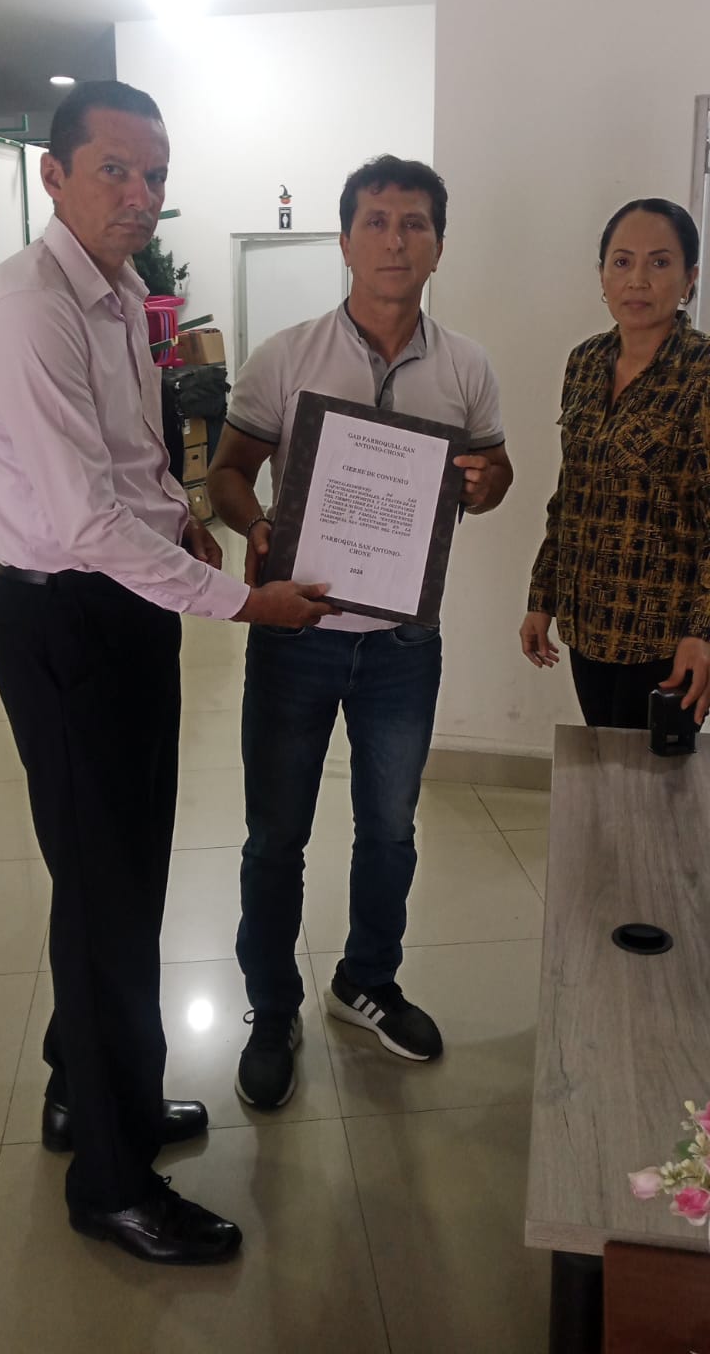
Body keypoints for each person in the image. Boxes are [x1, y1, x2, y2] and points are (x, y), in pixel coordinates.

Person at [0, 79, 333, 1264]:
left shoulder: (124, 290)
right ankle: (111, 1181)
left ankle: (93, 1094)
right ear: (54, 175)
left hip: (125, 606)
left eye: (155, 173)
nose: (140, 194)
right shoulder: (29, 308)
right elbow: (80, 520)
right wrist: (243, 598)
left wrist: (180, 517)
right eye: (115, 170)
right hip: (66, 618)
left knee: (121, 878)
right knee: (104, 899)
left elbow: (128, 462)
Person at [207, 154, 514, 1110]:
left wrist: (485, 484)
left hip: (402, 646)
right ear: (344, 241)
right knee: (275, 837)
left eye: (415, 223)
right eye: (376, 222)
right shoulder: (286, 356)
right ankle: (272, 1007)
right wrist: (258, 526)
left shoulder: (466, 365)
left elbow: (495, 472)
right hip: (296, 632)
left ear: (438, 246)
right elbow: (228, 471)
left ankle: (366, 981)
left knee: (389, 831)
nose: (395, 240)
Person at [520, 198, 710, 730]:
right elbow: (569, 494)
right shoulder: (585, 362)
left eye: (660, 262)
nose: (638, 280)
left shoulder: (701, 371)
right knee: (603, 766)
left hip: (667, 636)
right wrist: (542, 597)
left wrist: (703, 632)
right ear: (602, 275)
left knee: (655, 780)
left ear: (690, 278)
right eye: (622, 262)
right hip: (589, 625)